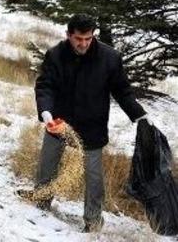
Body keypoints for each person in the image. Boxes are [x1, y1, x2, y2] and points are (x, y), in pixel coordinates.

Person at [30, 13, 148, 232]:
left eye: (88, 39)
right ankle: (40, 205)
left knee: (94, 178)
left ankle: (92, 223)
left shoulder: (110, 58)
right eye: (78, 39)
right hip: (59, 121)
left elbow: (122, 91)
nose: (83, 43)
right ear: (68, 35)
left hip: (92, 126)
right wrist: (46, 112)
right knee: (47, 166)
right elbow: (45, 85)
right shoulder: (55, 55)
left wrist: (139, 115)